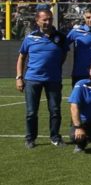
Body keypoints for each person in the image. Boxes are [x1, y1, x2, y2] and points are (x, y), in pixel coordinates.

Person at [16, 9, 68, 149]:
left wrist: (54, 69)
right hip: (33, 79)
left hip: (54, 80)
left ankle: (55, 137)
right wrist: (19, 77)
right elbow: (21, 58)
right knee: (31, 112)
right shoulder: (30, 38)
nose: (48, 22)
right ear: (37, 21)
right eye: (44, 19)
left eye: (50, 19)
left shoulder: (61, 38)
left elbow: (63, 56)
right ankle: (30, 138)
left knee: (55, 110)